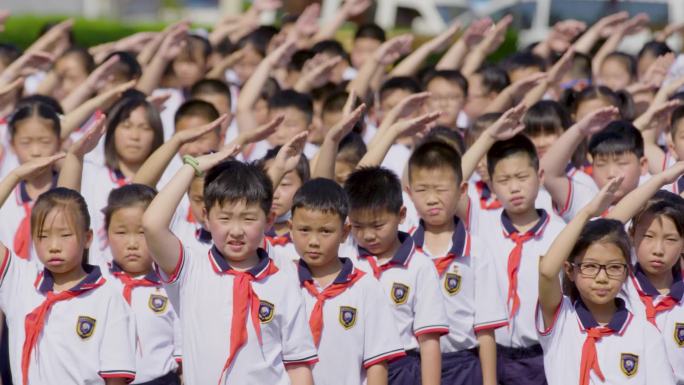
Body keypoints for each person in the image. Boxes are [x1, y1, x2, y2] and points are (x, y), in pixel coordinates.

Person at [142, 144, 317, 384]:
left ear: (269, 221)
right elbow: (152, 224)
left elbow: (297, 364)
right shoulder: (191, 267)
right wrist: (191, 168)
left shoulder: (283, 274)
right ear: (206, 215)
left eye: (248, 219)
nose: (236, 231)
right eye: (224, 218)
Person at [0, 169, 136, 384]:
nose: (54, 246)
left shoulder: (107, 298)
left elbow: (116, 377)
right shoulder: (21, 281)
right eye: (43, 236)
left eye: (65, 235)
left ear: (87, 238)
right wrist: (15, 175)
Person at [537, 176, 676, 385]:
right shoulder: (562, 318)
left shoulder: (645, 333)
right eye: (590, 267)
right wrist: (587, 212)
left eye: (613, 268)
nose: (602, 278)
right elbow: (547, 271)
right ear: (570, 270)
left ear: (626, 271)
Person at [407, 141, 505, 385]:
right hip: (414, 365)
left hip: (463, 365)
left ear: (462, 190)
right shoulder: (404, 248)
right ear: (408, 193)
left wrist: (489, 381)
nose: (431, 199)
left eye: (441, 190)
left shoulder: (477, 250)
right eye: (422, 190)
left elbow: (485, 328)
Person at [291, 177, 405, 385]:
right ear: (291, 228)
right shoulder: (282, 282)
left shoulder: (365, 287)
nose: (314, 241)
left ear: (345, 232)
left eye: (326, 231)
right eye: (304, 230)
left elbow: (377, 362)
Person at [344, 166, 448, 385]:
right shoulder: (345, 258)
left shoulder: (419, 266)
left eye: (378, 225)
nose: (368, 235)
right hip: (353, 368)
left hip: (401, 370)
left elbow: (429, 340)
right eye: (358, 226)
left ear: (401, 215)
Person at [102, 184, 182, 385]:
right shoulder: (97, 282)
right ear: (106, 234)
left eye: (141, 232)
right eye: (121, 232)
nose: (132, 244)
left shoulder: (172, 285)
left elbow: (183, 354)